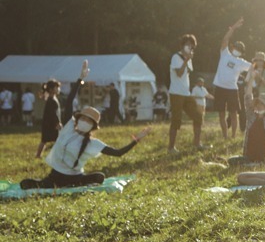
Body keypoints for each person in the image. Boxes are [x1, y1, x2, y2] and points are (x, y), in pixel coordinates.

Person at [20, 61, 151, 189]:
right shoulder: (69, 127)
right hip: (57, 175)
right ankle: (58, 182)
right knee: (40, 184)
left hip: (74, 176)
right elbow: (70, 101)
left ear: (93, 127)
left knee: (83, 178)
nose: (85, 122)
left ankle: (82, 180)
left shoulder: (93, 143)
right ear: (78, 119)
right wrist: (80, 79)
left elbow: (118, 153)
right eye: (84, 119)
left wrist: (137, 139)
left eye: (89, 122)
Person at [212, 18, 251, 140]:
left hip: (232, 89)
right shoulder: (225, 54)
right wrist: (233, 28)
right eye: (236, 48)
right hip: (219, 87)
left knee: (234, 114)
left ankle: (233, 136)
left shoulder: (241, 62)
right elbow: (225, 40)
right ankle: (225, 136)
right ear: (232, 47)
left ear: (242, 52)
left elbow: (254, 67)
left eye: (240, 50)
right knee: (221, 114)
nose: (237, 51)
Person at [168, 33, 205, 152]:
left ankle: (197, 143)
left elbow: (187, 74)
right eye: (188, 44)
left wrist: (188, 60)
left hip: (186, 93)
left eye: (192, 45)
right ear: (182, 45)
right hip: (176, 93)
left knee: (198, 116)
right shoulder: (176, 57)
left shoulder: (189, 59)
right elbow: (179, 73)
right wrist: (186, 60)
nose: (190, 47)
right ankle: (171, 147)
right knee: (176, 120)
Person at [228, 88, 265, 166]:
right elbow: (247, 99)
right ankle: (253, 164)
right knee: (231, 161)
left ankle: (259, 164)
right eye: (257, 103)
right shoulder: (251, 116)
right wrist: (251, 77)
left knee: (255, 163)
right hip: (250, 156)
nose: (258, 105)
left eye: (261, 103)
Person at [36, 80, 62, 158]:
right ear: (51, 90)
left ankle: (40, 155)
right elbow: (53, 113)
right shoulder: (51, 100)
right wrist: (57, 122)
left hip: (48, 123)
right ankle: (40, 155)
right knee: (46, 140)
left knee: (45, 140)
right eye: (56, 88)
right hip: (50, 124)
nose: (58, 89)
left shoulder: (52, 98)